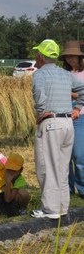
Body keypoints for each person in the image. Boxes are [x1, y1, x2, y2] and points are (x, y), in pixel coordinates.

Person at [31, 39, 84, 219]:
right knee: (62, 168)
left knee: (47, 166)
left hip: (51, 123)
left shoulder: (40, 74)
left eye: (37, 55)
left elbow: (39, 94)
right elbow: (83, 88)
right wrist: (77, 107)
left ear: (41, 57)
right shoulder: (65, 74)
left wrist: (40, 112)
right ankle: (62, 207)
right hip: (68, 124)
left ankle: (50, 209)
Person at [60, 41, 84, 198]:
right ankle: (68, 188)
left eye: (73, 56)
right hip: (63, 116)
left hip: (80, 116)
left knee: (79, 155)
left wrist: (72, 94)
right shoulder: (63, 72)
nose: (70, 59)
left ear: (79, 57)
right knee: (65, 156)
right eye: (68, 56)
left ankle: (82, 188)